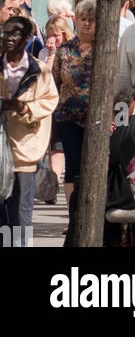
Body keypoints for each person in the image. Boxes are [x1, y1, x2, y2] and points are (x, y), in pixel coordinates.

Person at [0, 14, 59, 244]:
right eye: (6, 33)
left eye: (14, 33)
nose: (8, 38)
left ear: (26, 39)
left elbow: (49, 101)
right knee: (2, 212)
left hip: (25, 149)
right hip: (1, 148)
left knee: (20, 212)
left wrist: (23, 107)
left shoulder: (39, 70)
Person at [50, 0, 95, 204]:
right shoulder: (65, 49)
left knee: (93, 165)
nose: (87, 24)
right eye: (83, 19)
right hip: (67, 115)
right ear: (76, 21)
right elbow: (55, 80)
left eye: (91, 20)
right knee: (73, 164)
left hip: (94, 117)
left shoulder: (104, 48)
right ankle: (73, 213)